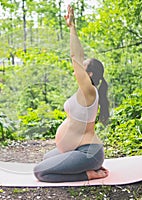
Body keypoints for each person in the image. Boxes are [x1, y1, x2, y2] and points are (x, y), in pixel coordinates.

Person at [33, 5, 109, 182]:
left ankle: (88, 172)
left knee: (40, 171)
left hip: (88, 152)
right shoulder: (83, 92)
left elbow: (76, 56)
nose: (77, 69)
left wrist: (72, 28)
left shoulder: (89, 91)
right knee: (46, 159)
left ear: (89, 74)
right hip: (77, 149)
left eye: (82, 68)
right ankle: (88, 165)